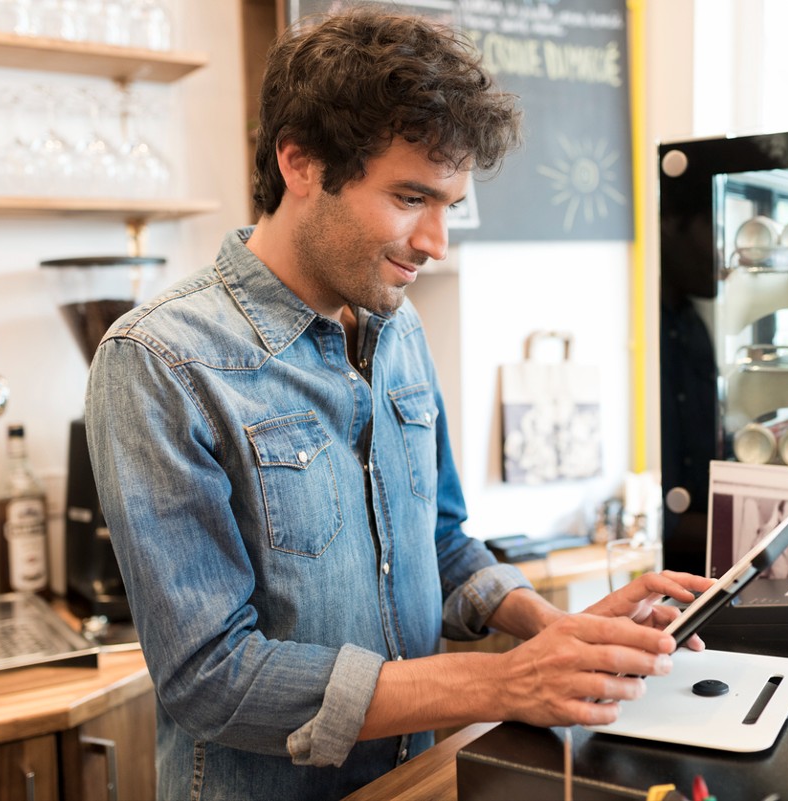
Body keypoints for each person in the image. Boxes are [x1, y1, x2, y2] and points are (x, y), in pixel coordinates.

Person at [85, 8, 713, 800]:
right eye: (412, 197)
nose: (436, 241)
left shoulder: (397, 326)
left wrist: (554, 629)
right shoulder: (159, 361)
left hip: (417, 779)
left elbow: (440, 540)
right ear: (300, 162)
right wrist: (505, 681)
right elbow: (211, 676)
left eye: (449, 204)